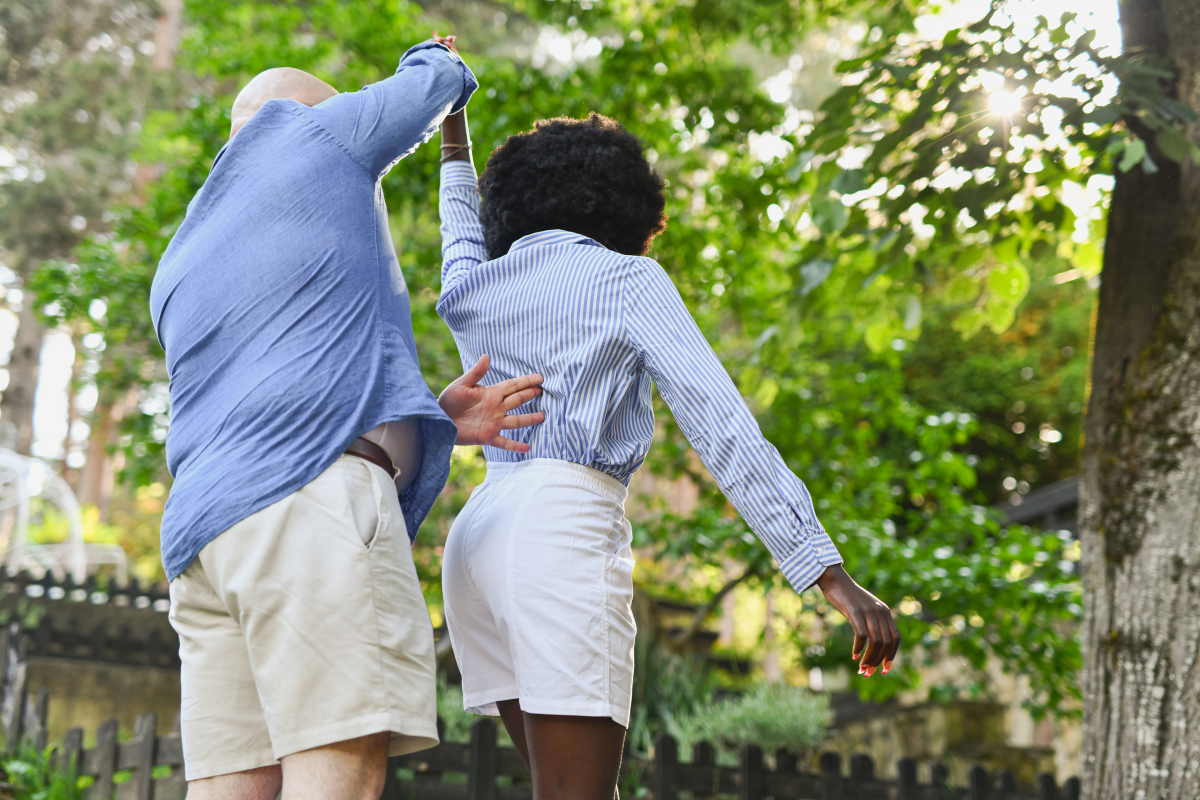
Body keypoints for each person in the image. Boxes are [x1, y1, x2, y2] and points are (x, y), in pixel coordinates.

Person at [435, 105, 901, 799]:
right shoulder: (627, 281)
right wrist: (824, 569)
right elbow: (722, 424)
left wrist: (453, 132)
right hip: (560, 524)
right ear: (624, 207)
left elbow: (458, 225)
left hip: (476, 540)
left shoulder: (472, 287)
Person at [151, 36, 545, 800]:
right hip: (308, 510)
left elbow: (277, 380)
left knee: (233, 786)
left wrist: (427, 419)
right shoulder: (306, 132)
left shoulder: (184, 252)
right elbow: (438, 81)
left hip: (206, 540)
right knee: (338, 767)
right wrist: (434, 52)